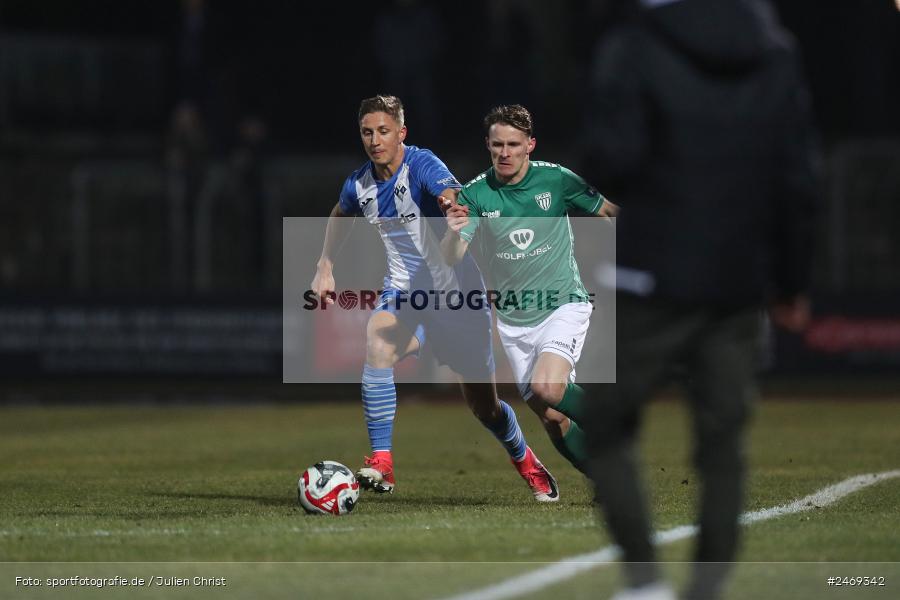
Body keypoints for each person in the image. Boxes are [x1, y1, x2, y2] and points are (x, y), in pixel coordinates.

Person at [580, 1, 820, 599]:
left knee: (605, 426)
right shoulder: (776, 50)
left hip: (650, 276)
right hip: (737, 280)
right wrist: (791, 281)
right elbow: (798, 177)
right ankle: (706, 590)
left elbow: (613, 157)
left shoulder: (635, 43)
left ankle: (644, 584)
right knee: (722, 446)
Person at [310, 95, 559, 502]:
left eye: (384, 131)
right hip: (405, 293)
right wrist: (325, 265)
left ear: (401, 133)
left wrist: (451, 207)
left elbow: (450, 193)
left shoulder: (421, 164)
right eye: (367, 132)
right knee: (378, 340)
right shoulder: (358, 184)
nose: (375, 140)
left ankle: (525, 460)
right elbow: (340, 213)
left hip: (457, 299)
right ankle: (382, 461)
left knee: (486, 409)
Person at [442, 104, 618, 475]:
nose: (504, 153)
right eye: (497, 145)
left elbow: (606, 210)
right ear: (488, 145)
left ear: (530, 145)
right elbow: (452, 256)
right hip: (514, 322)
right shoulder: (476, 194)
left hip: (562, 303)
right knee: (552, 418)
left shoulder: (556, 179)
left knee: (547, 388)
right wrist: (453, 231)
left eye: (513, 144)